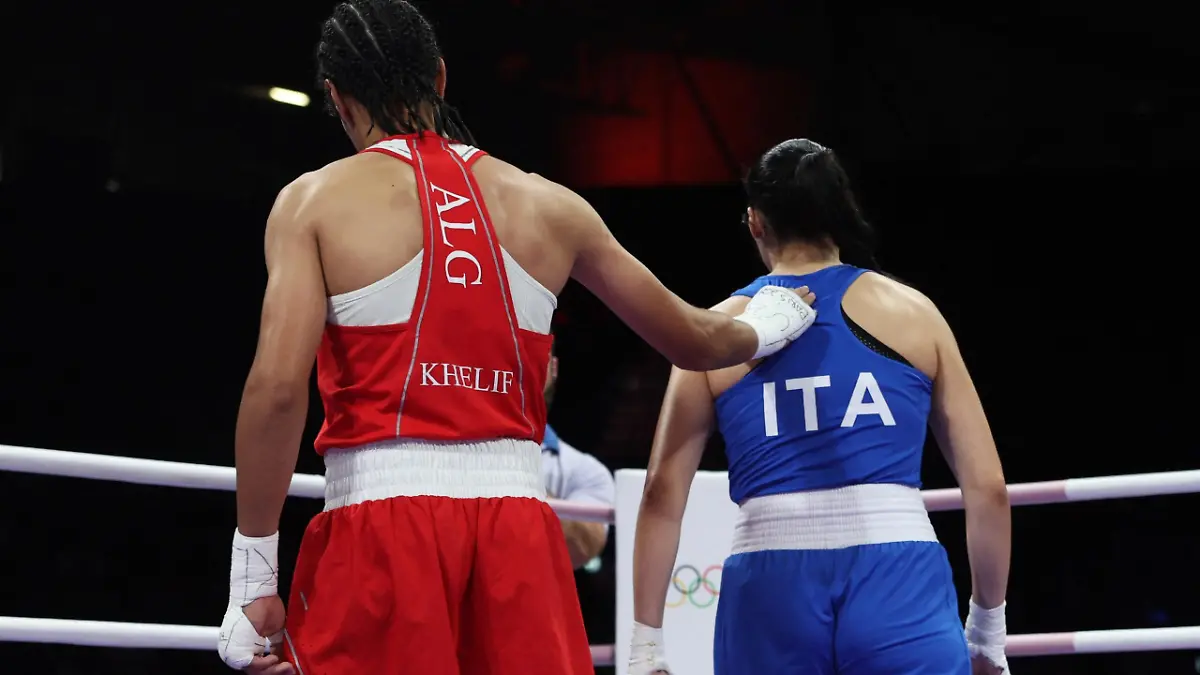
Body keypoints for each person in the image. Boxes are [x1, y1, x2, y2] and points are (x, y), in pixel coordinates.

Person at [215, 2, 818, 674]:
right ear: (440, 79)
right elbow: (699, 340)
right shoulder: (550, 205)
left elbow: (275, 389)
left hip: (382, 530)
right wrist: (777, 319)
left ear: (338, 98)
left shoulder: (314, 201)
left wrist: (253, 578)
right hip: (521, 536)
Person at [627, 139, 1012, 675]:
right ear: (842, 208)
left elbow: (662, 492)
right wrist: (988, 631)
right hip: (897, 574)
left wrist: (645, 647)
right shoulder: (914, 314)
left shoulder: (717, 332)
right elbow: (988, 488)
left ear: (755, 222)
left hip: (768, 584)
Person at [541, 338, 616, 569]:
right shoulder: (439, 447)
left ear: (553, 368)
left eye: (530, 350)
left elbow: (582, 548)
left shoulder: (585, 470)